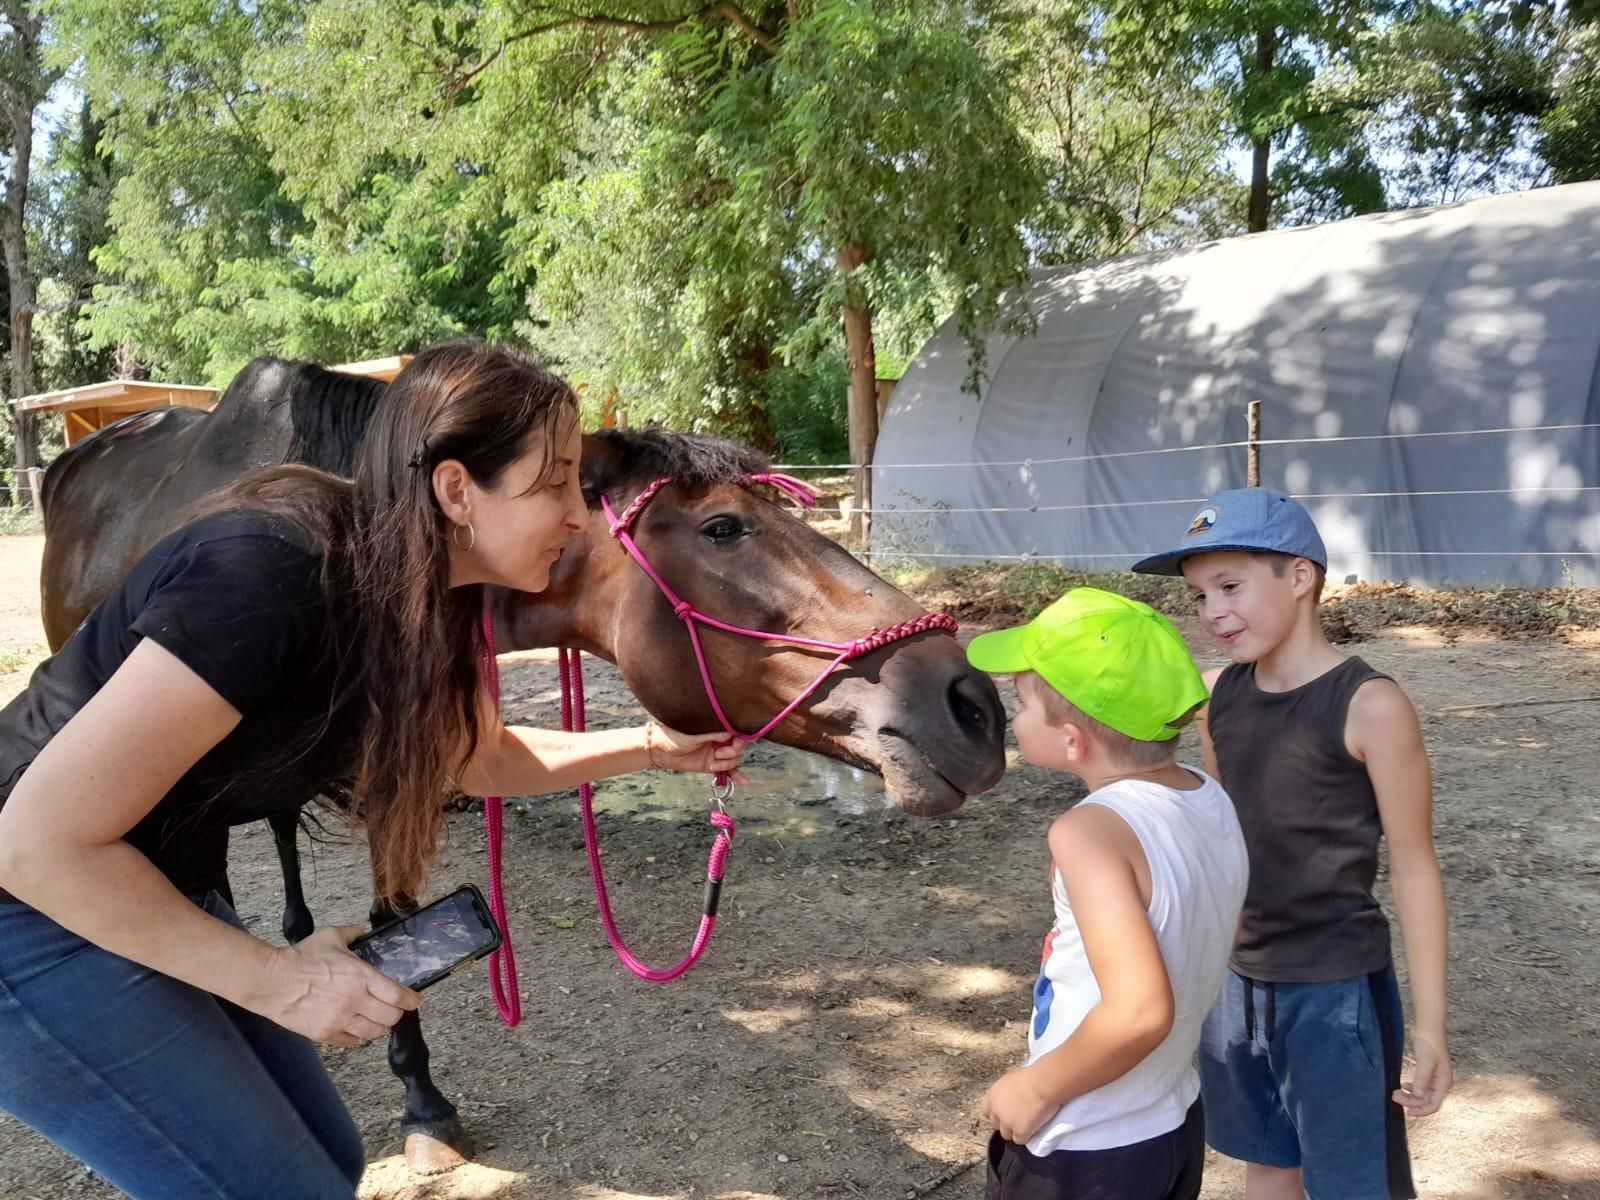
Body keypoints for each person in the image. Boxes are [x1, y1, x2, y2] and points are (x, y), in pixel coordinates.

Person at [0, 340, 745, 1198]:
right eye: (554, 482)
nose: (581, 515)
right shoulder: (264, 573)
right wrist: (277, 981)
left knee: (335, 1161)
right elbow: (37, 843)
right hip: (31, 907)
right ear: (458, 490)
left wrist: (655, 749)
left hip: (145, 881)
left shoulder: (435, 598)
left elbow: (482, 757)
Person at [1132, 487, 1451, 1200]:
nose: (1212, 611)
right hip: (1236, 984)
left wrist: (1430, 1026)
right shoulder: (1217, 697)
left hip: (1335, 993)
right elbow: (1220, 836)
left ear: (1300, 576)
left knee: (1352, 1184)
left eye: (1230, 585)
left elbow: (1415, 865)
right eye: (1199, 594)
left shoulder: (1371, 705)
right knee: (1267, 1160)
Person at [966, 587, 1248, 1200]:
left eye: (1021, 701)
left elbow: (1140, 1012)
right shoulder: (1206, 794)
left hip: (1082, 1142)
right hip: (1169, 1120)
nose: (1012, 716)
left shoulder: (1088, 832)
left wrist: (1035, 1088)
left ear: (1073, 741)